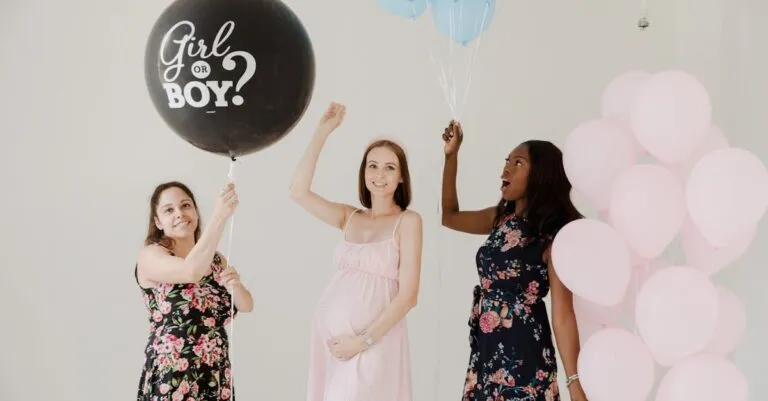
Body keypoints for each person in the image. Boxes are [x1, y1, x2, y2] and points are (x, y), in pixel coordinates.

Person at [441, 121, 587, 401]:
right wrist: (451, 156)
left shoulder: (553, 235)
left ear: (541, 175)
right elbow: (449, 216)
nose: (505, 170)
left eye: (517, 163)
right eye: (506, 161)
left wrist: (574, 383)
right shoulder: (499, 219)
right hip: (486, 352)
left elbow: (563, 316)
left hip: (525, 355)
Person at [290, 102, 423, 401]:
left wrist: (362, 342)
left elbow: (408, 296)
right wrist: (322, 133)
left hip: (373, 342)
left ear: (402, 177)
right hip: (330, 342)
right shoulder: (349, 217)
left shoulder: (408, 222)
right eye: (372, 166)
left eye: (390, 167)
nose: (379, 174)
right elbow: (298, 191)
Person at [135, 181, 254, 401]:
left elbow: (246, 305)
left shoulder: (215, 259)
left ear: (196, 212)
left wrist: (236, 285)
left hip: (214, 374)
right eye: (169, 210)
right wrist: (219, 217)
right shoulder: (150, 255)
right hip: (172, 376)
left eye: (185, 205)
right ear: (158, 222)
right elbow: (190, 271)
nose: (179, 213)